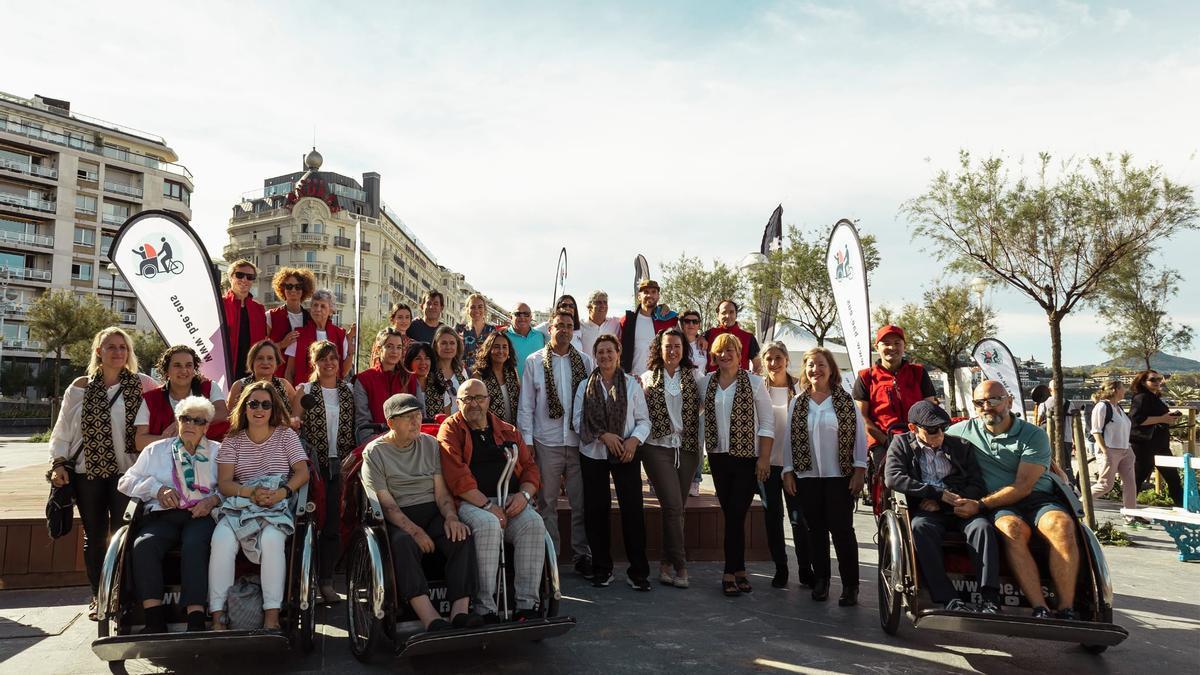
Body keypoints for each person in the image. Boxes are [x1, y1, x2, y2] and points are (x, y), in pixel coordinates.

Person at [947, 380, 1080, 620]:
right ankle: (1040, 607)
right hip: (1000, 505)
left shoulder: (1033, 435)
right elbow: (926, 436)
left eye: (994, 400)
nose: (987, 407)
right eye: (980, 402)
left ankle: (1067, 607)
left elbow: (1023, 486)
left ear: (1009, 401)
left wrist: (980, 505)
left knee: (1062, 525)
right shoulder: (962, 431)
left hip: (1035, 496)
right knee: (1012, 529)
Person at [48, 327, 156, 620]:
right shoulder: (80, 387)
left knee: (125, 533)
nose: (118, 352)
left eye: (123, 347)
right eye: (111, 347)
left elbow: (163, 411)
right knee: (94, 535)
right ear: (99, 351)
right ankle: (100, 595)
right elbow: (63, 431)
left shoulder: (143, 384)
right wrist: (58, 463)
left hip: (129, 473)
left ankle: (126, 595)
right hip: (88, 474)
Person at [361, 393, 481, 630]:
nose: (416, 422)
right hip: (399, 515)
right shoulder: (375, 452)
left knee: (461, 535)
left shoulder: (429, 443)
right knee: (403, 543)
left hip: (432, 510)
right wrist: (415, 532)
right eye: (408, 418)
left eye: (417, 416)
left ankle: (459, 611)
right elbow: (387, 504)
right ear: (391, 422)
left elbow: (441, 492)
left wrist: (451, 517)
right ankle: (429, 618)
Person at [439, 380, 545, 621]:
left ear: (488, 400)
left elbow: (530, 468)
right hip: (472, 503)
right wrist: (488, 506)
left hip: (509, 499)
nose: (474, 403)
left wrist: (524, 495)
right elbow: (457, 477)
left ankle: (527, 606)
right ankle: (485, 608)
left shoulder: (507, 429)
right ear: (458, 403)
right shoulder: (451, 429)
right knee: (488, 524)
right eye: (467, 399)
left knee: (534, 523)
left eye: (479, 398)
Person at [209, 382, 310, 631]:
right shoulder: (232, 439)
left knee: (272, 541)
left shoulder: (286, 435)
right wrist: (250, 493)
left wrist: (280, 493)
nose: (259, 409)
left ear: (273, 408)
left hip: (277, 501)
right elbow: (224, 483)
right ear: (244, 408)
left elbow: (302, 472)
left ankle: (272, 618)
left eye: (266, 404)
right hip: (242, 501)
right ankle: (218, 618)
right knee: (220, 539)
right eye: (253, 403)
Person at [118, 396, 222, 633]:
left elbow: (229, 487)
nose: (191, 425)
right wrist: (157, 489)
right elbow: (127, 481)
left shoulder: (218, 452)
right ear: (177, 421)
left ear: (206, 426)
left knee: (195, 545)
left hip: (200, 515)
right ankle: (154, 619)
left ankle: (195, 618)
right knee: (143, 545)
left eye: (198, 421)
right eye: (186, 419)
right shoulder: (156, 450)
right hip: (163, 515)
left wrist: (212, 500)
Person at [884, 401, 1000, 613]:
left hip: (959, 506)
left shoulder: (960, 446)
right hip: (926, 508)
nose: (939, 434)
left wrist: (956, 499)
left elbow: (977, 483)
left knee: (982, 528)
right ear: (913, 428)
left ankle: (989, 597)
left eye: (942, 429)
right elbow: (893, 478)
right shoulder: (901, 444)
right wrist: (935, 494)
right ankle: (947, 596)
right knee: (919, 527)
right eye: (931, 430)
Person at [781, 346, 867, 606]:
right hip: (807, 477)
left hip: (839, 475)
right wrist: (788, 471)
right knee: (815, 531)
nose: (815, 370)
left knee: (842, 531)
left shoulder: (845, 401)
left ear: (831, 370)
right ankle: (821, 581)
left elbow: (859, 439)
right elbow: (788, 441)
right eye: (810, 365)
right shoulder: (798, 402)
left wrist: (859, 470)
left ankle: (850, 586)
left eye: (821, 365)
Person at [518, 310, 594, 578]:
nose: (564, 329)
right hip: (546, 440)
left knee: (579, 501)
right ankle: (550, 555)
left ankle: (581, 554)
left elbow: (590, 401)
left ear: (574, 331)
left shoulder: (585, 361)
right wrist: (527, 441)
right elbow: (526, 405)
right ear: (549, 329)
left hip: (577, 441)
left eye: (569, 326)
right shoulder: (534, 361)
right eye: (559, 325)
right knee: (547, 502)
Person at [572, 334, 652, 590]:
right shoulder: (585, 385)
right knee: (596, 512)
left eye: (609, 351)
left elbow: (644, 421)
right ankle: (602, 569)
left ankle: (638, 572)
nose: (605, 356)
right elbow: (577, 421)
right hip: (593, 454)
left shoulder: (631, 384)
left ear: (618, 353)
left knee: (632, 512)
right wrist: (603, 435)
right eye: (600, 352)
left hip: (626, 453)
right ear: (595, 356)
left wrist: (633, 441)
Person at [700, 333, 773, 596]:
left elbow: (766, 423)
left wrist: (764, 458)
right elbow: (693, 407)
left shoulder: (754, 382)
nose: (724, 355)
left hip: (746, 458)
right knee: (733, 515)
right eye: (720, 351)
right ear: (714, 356)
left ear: (739, 352)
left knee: (735, 514)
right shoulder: (707, 382)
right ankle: (740, 569)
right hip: (718, 457)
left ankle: (729, 572)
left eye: (730, 350)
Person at [292, 340, 356, 604]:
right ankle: (306, 582)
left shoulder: (349, 390)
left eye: (333, 358)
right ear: (314, 362)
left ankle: (327, 582)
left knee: (332, 525)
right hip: (313, 466)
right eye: (323, 358)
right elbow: (294, 427)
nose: (329, 363)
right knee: (309, 523)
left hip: (339, 465)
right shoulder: (305, 390)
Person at [639, 328, 701, 589]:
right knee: (674, 507)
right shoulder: (646, 378)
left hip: (686, 449)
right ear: (659, 349)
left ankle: (665, 564)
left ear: (683, 349)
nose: (673, 351)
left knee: (675, 510)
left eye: (677, 346)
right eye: (668, 346)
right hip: (657, 447)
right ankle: (682, 566)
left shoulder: (696, 377)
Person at [758, 341, 814, 589]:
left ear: (786, 359)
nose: (773, 363)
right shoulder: (758, 387)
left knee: (798, 518)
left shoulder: (801, 387)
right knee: (772, 517)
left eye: (778, 357)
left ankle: (805, 569)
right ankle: (781, 568)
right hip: (766, 464)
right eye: (768, 358)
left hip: (794, 466)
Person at [852, 324, 937, 483]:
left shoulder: (918, 372)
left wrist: (922, 437)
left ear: (904, 346)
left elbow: (930, 410)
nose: (892, 347)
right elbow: (862, 418)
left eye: (897, 343)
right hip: (883, 442)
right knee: (890, 481)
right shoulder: (866, 377)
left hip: (918, 440)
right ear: (877, 347)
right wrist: (887, 441)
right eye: (886, 343)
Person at [134, 345, 228, 450]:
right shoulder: (151, 399)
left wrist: (182, 423)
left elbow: (223, 413)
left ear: (194, 369)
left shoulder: (209, 387)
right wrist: (164, 438)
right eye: (177, 365)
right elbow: (139, 442)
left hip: (208, 459)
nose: (184, 370)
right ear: (166, 371)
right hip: (167, 462)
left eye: (188, 365)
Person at [1129, 370, 1184, 506]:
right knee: (1137, 479)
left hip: (1159, 445)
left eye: (1160, 379)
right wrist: (1162, 418)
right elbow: (1136, 420)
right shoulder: (1141, 397)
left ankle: (1185, 509)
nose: (1158, 382)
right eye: (1153, 380)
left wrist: (1168, 417)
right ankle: (1128, 511)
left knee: (1173, 478)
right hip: (1144, 446)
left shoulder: (1154, 397)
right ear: (1143, 382)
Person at [353, 328, 415, 443]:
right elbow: (363, 422)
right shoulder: (363, 379)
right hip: (376, 445)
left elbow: (419, 417)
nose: (395, 351)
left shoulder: (410, 379)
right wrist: (375, 445)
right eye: (389, 346)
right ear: (378, 349)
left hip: (407, 444)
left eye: (399, 347)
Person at [284, 288, 357, 383]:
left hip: (332, 391)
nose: (318, 309)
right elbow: (289, 372)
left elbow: (344, 371)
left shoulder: (340, 334)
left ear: (331, 311)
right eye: (315, 305)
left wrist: (350, 352)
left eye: (323, 306)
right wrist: (292, 395)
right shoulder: (298, 334)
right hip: (305, 393)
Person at [1089, 380, 1139, 520]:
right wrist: (1105, 450)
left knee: (1130, 484)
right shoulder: (1102, 407)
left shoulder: (1118, 407)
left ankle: (1131, 516)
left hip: (1125, 450)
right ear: (1116, 390)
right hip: (1110, 449)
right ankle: (1077, 504)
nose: (1125, 391)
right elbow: (1096, 431)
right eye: (1123, 388)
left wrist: (1128, 448)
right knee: (1105, 485)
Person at [226, 340, 298, 426]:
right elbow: (231, 418)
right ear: (252, 362)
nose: (265, 362)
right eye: (260, 358)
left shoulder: (285, 385)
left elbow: (296, 414)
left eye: (270, 358)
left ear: (277, 362)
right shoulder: (239, 386)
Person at [619, 279, 677, 376]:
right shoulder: (627, 320)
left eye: (653, 292)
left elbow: (689, 327)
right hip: (634, 379)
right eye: (646, 292)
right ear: (639, 296)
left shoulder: (668, 320)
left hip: (660, 379)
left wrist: (701, 337)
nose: (650, 295)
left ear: (658, 296)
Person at [222, 259, 268, 381]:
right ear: (231, 277)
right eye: (239, 275)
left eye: (249, 277)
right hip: (226, 369)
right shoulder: (220, 305)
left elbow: (264, 341)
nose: (244, 280)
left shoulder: (259, 309)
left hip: (252, 371)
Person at [266, 267, 316, 377]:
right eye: (289, 286)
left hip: (303, 375)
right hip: (276, 374)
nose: (293, 290)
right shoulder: (270, 316)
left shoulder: (311, 319)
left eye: (298, 287)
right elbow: (260, 348)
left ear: (304, 290)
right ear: (282, 289)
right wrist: (281, 344)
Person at [679, 309, 708, 497]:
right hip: (679, 395)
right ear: (681, 323)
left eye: (695, 321)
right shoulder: (675, 341)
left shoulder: (705, 344)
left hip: (700, 397)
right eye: (687, 321)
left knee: (697, 439)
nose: (691, 325)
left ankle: (695, 480)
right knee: (676, 438)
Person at [473, 330, 520, 425]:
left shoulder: (512, 372)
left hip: (513, 430)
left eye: (504, 347)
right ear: (489, 350)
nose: (501, 351)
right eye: (496, 347)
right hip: (489, 430)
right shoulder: (479, 375)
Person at [703, 300, 761, 374]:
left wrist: (751, 381)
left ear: (736, 315)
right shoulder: (708, 334)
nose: (728, 316)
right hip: (713, 383)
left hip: (740, 383)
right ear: (718, 316)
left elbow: (758, 365)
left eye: (731, 312)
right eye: (724, 313)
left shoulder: (748, 337)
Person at [426, 325, 469, 418]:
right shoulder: (429, 372)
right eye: (444, 343)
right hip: (437, 427)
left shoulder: (462, 371)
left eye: (452, 343)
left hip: (461, 426)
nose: (448, 347)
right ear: (436, 346)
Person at [505, 303, 547, 378]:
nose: (522, 317)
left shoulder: (540, 336)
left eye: (526, 314)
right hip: (511, 387)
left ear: (531, 317)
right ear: (511, 317)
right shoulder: (503, 337)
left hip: (536, 387)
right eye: (518, 314)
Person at [459, 293, 496, 372]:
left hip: (487, 374)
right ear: (467, 309)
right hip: (465, 375)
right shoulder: (460, 330)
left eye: (480, 307)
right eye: (473, 307)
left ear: (485, 309)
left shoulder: (492, 331)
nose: (476, 310)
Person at [579, 290, 621, 359]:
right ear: (589, 306)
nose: (603, 306)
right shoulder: (580, 326)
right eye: (598, 303)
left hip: (608, 369)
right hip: (587, 369)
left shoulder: (615, 323)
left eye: (605, 302)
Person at [403, 342, 436, 421]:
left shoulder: (439, 386)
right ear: (409, 362)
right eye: (418, 358)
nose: (423, 362)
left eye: (427, 358)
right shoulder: (403, 386)